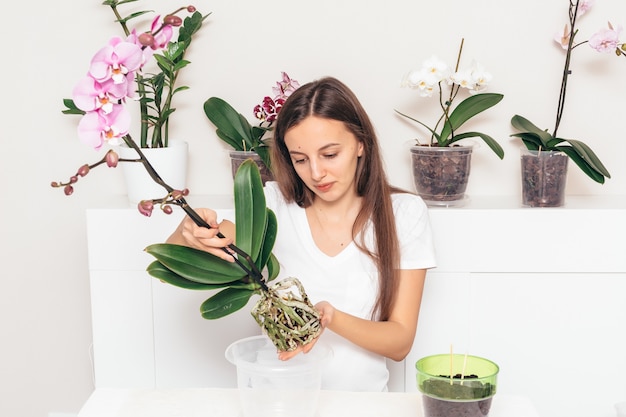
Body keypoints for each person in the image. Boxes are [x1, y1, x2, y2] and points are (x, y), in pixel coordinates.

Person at [167, 76, 436, 391]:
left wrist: (330, 318)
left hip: (362, 406)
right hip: (276, 402)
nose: (316, 173)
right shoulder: (273, 206)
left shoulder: (403, 213)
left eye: (330, 154)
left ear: (361, 144)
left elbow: (400, 341)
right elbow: (182, 258)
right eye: (300, 160)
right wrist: (187, 232)